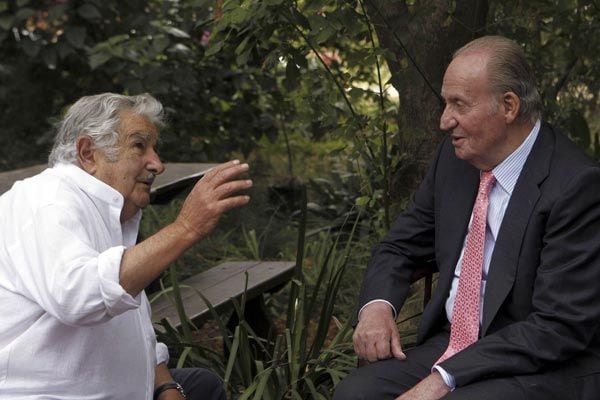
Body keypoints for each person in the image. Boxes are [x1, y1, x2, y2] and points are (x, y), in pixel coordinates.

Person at [334, 36, 600, 400]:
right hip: (455, 341)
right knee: (357, 393)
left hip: (539, 360)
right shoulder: (455, 161)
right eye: (445, 104)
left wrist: (444, 377)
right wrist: (377, 307)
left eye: (459, 104)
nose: (445, 121)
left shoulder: (575, 185)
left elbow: (558, 326)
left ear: (508, 106)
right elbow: (399, 245)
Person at [0, 93, 253, 399]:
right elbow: (81, 295)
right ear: (88, 153)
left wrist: (165, 385)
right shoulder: (46, 200)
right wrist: (186, 227)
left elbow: (134, 324)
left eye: (155, 149)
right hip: (51, 394)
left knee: (203, 385)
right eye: (138, 146)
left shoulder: (110, 213)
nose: (157, 164)